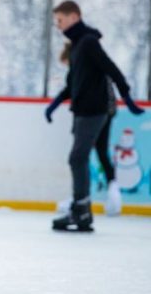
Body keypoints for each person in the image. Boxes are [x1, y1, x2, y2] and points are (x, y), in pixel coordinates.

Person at [46, 1, 144, 232]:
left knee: (78, 157)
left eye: (60, 20)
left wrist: (126, 95)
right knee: (78, 158)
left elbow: (111, 69)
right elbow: (72, 85)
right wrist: (54, 105)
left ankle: (81, 211)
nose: (58, 26)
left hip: (94, 110)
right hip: (82, 111)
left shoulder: (88, 42)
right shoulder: (78, 45)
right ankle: (81, 210)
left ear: (73, 17)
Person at [47, 42, 122, 216]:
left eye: (67, 63)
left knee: (80, 155)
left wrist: (56, 104)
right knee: (95, 152)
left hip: (93, 113)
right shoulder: (88, 66)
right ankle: (108, 192)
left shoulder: (84, 67)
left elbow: (73, 89)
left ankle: (81, 198)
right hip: (102, 111)